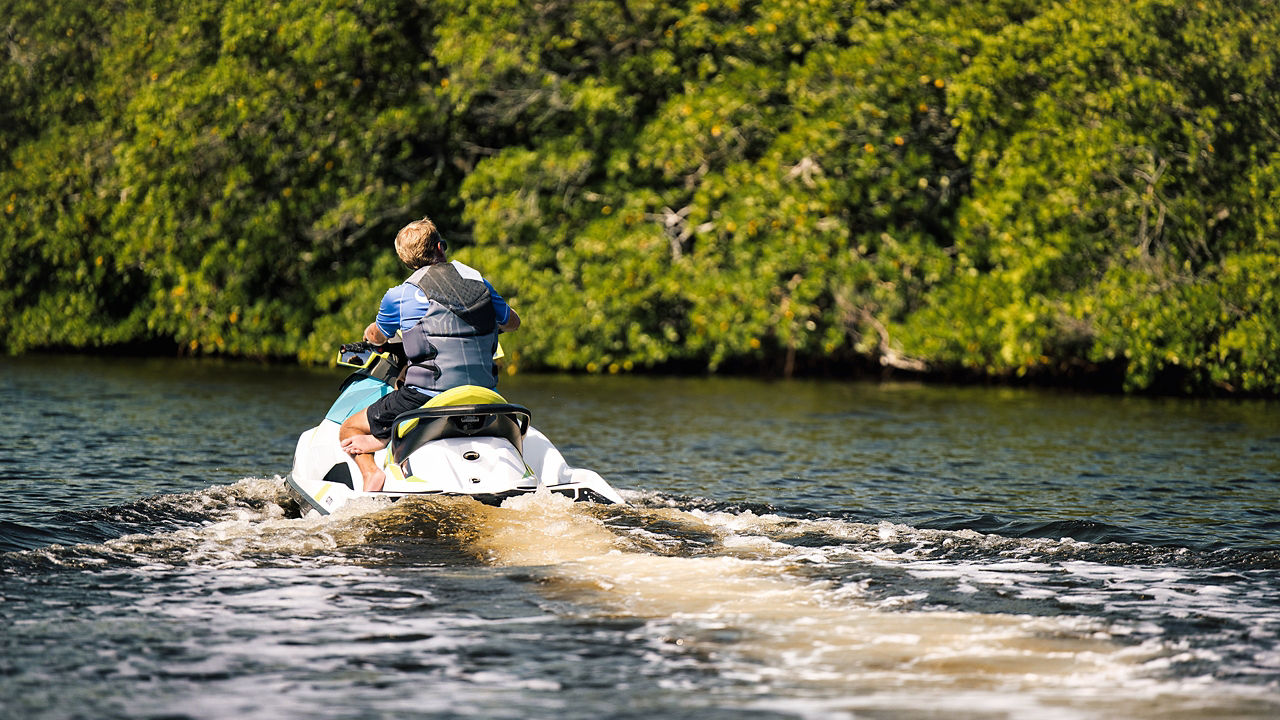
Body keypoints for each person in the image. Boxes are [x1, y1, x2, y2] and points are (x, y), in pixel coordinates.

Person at [338, 215, 520, 491]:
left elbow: (379, 335)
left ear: (406, 260)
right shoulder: (478, 281)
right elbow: (512, 322)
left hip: (427, 397)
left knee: (350, 427)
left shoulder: (399, 295)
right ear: (439, 248)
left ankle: (371, 473)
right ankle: (386, 439)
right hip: (486, 394)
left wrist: (370, 334)